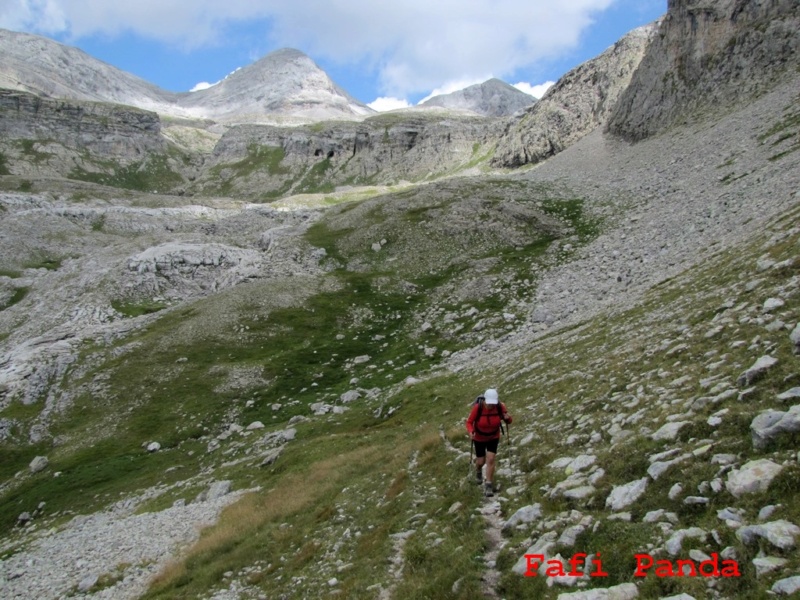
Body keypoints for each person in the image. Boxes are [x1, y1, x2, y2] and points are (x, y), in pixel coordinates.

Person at [466, 388, 512, 497]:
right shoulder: (478, 408)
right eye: (489, 403)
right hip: (479, 438)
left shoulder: (500, 406)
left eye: (493, 403)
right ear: (485, 400)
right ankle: (478, 470)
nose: (491, 405)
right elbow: (469, 422)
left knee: (491, 459)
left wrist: (507, 418)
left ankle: (488, 485)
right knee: (481, 461)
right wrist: (471, 431)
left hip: (493, 437)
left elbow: (509, 421)